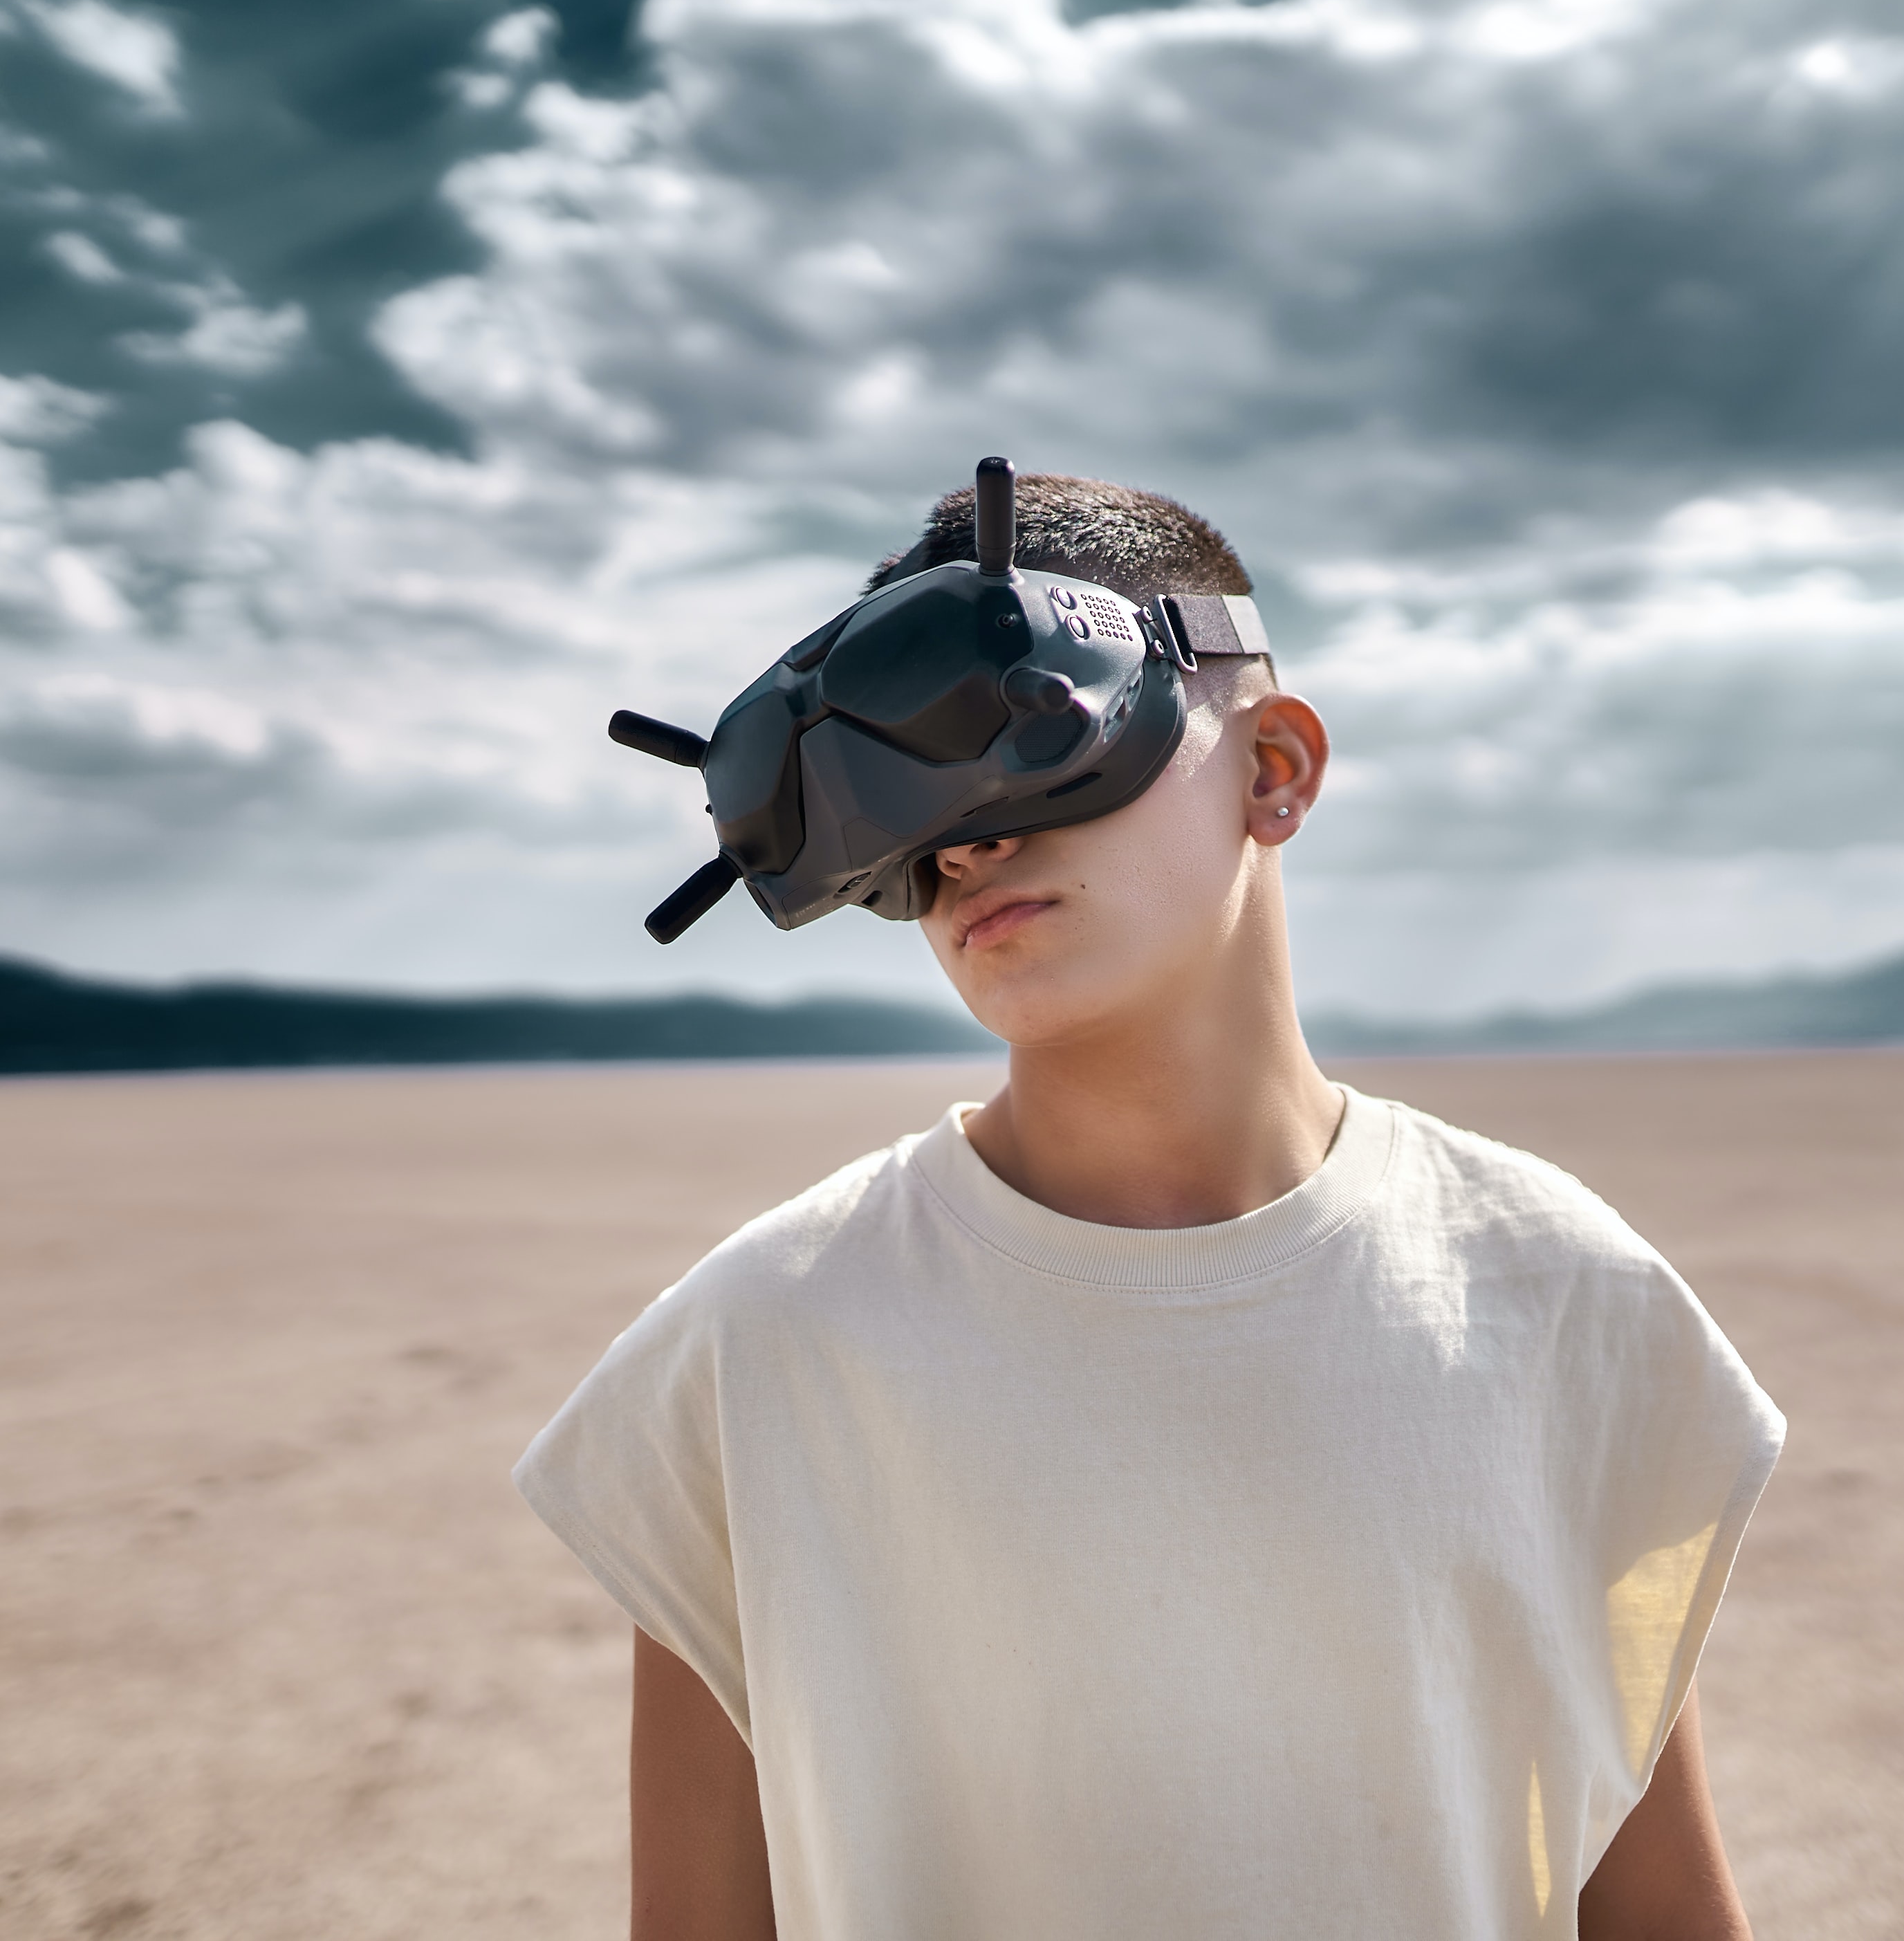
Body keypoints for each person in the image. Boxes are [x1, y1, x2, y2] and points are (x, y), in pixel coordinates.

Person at [515, 474, 1785, 1940]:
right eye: (900, 826)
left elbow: (1660, 1901)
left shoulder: (1561, 1292)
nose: (964, 849)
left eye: (1025, 728)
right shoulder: (757, 1351)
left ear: (1275, 769)